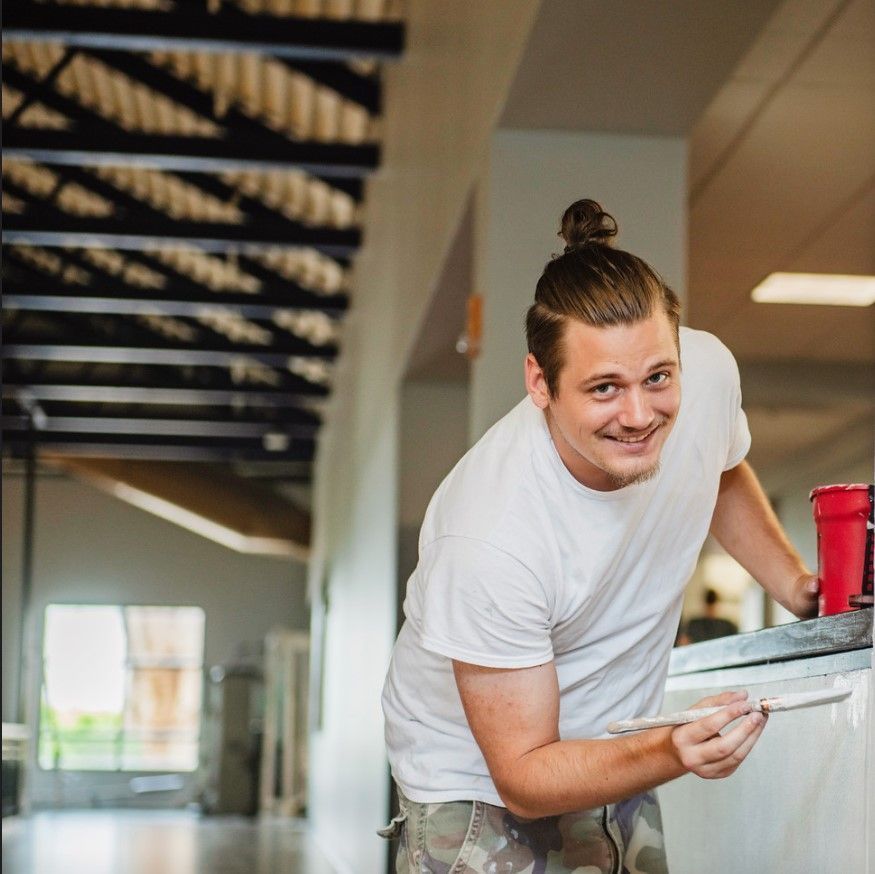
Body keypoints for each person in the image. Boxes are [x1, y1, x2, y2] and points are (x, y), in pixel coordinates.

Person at [379, 199, 819, 873]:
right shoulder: (489, 535)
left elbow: (720, 469)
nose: (639, 414)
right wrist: (672, 750)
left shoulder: (705, 374)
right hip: (475, 790)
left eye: (657, 378)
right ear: (539, 382)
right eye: (604, 388)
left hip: (616, 750)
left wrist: (797, 588)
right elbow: (523, 777)